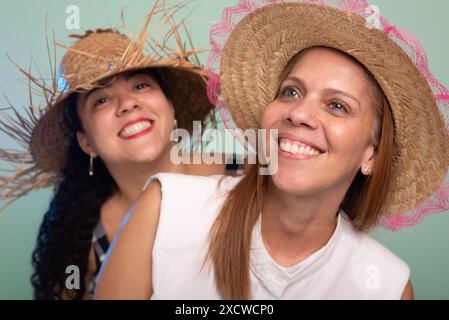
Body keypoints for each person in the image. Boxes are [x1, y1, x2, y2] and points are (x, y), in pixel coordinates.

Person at [95, 0, 449, 299]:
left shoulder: (386, 284)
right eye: (291, 92)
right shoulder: (164, 206)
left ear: (371, 154)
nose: (298, 113)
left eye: (337, 106)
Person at [0, 4, 243, 300]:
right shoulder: (81, 242)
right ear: (86, 142)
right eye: (101, 100)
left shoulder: (247, 176)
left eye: (141, 85)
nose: (127, 103)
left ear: (170, 107)